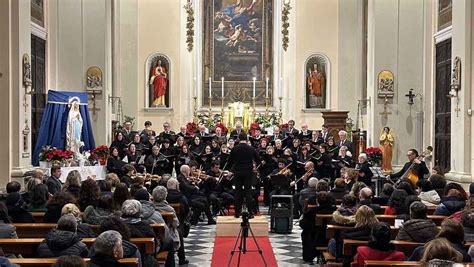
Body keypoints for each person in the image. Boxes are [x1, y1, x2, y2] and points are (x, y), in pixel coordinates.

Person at [226, 133, 261, 218]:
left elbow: (229, 162)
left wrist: (232, 169)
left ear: (238, 138)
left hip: (237, 173)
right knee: (248, 193)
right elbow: (258, 160)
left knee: (238, 193)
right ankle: (250, 212)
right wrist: (254, 167)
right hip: (248, 173)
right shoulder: (251, 148)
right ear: (247, 139)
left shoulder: (234, 149)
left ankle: (237, 213)